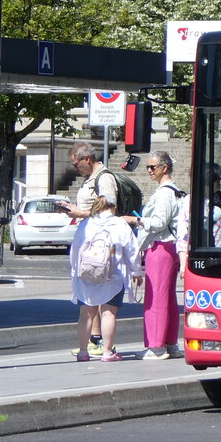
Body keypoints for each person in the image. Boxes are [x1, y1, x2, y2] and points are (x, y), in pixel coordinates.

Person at [56, 141, 118, 356]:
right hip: (89, 240)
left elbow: (109, 208)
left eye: (76, 164)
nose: (75, 169)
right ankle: (95, 339)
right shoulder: (90, 178)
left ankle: (101, 342)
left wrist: (79, 213)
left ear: (87, 159)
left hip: (100, 243)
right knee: (91, 291)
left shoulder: (104, 178)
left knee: (100, 291)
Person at [125, 151, 183, 360]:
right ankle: (170, 343)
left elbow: (159, 222)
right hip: (170, 247)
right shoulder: (173, 191)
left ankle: (156, 346)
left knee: (156, 298)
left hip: (160, 247)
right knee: (167, 297)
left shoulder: (164, 193)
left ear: (164, 168)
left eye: (153, 167)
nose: (149, 171)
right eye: (148, 167)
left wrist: (136, 220)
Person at [69, 196, 137, 362]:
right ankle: (107, 352)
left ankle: (83, 352)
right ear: (114, 206)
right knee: (108, 313)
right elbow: (132, 250)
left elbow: (75, 249)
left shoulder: (87, 224)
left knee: (86, 314)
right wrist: (136, 272)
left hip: (86, 274)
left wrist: (75, 271)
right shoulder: (120, 224)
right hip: (113, 275)